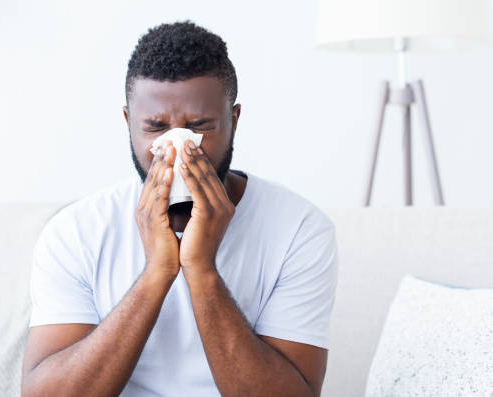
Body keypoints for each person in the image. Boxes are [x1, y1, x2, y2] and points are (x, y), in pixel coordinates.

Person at [21, 20, 338, 397]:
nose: (176, 148)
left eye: (199, 126)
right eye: (155, 127)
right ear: (128, 123)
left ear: (233, 122)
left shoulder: (299, 229)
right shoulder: (76, 231)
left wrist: (201, 271)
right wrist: (158, 272)